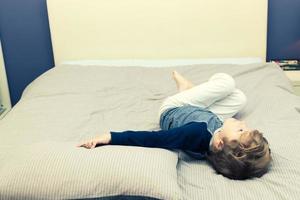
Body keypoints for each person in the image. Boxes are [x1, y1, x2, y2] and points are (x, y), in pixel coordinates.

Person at [77, 71, 272, 180]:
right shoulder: (220, 147)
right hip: (207, 116)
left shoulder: (194, 133)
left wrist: (110, 137)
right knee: (240, 98)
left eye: (240, 129)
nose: (243, 122)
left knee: (228, 83)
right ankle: (194, 92)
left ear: (220, 143)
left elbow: (152, 138)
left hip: (175, 108)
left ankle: (187, 91)